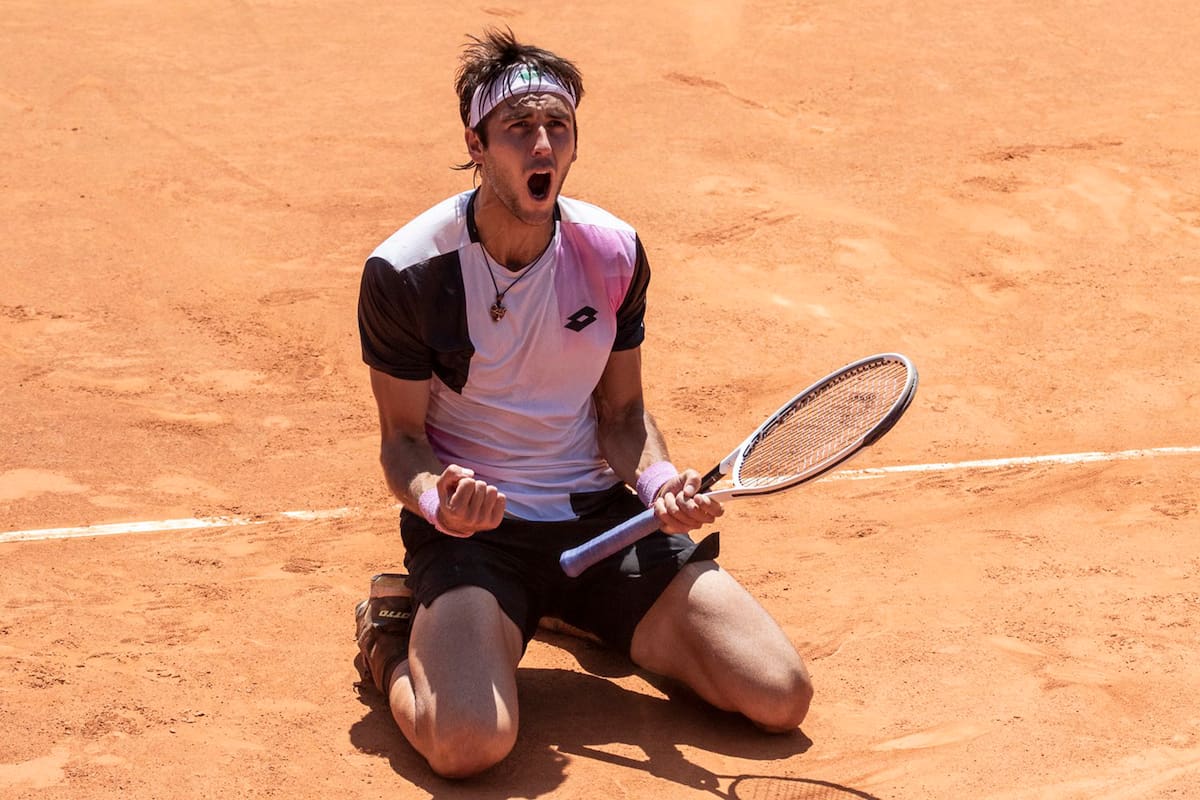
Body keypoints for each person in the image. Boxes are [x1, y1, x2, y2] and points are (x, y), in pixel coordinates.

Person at [354, 27, 812, 779]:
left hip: (604, 523)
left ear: (573, 144)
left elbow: (623, 416)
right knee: (468, 744)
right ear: (476, 143)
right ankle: (390, 643)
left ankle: (578, 609)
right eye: (518, 128)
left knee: (778, 696)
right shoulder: (409, 270)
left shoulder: (613, 252)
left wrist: (660, 484)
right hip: (480, 537)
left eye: (556, 127)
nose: (541, 145)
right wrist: (441, 500)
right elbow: (401, 441)